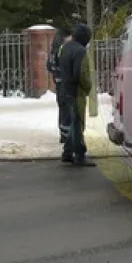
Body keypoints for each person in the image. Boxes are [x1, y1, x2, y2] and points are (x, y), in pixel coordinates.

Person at [57, 23, 95, 166]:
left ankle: (67, 153)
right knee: (78, 124)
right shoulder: (80, 51)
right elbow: (81, 74)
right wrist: (88, 87)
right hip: (76, 92)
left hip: (65, 89)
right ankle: (79, 155)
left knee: (74, 123)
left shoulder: (65, 47)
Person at [47, 28, 72, 144]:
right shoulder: (63, 50)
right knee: (67, 111)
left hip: (58, 83)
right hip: (65, 84)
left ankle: (63, 134)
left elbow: (49, 66)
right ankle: (67, 136)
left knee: (62, 110)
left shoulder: (53, 51)